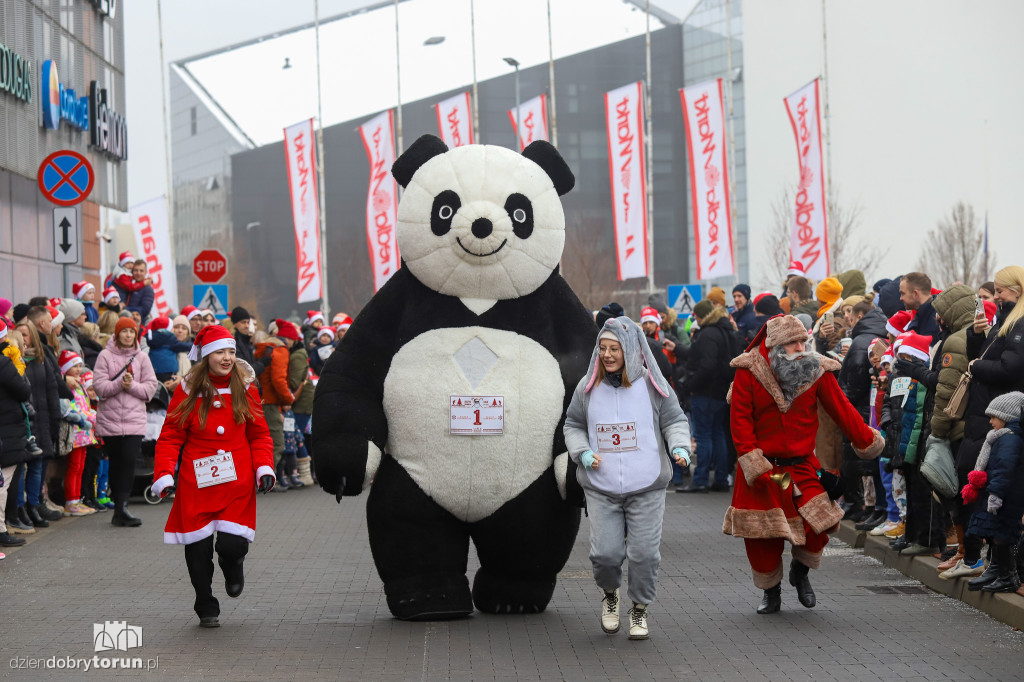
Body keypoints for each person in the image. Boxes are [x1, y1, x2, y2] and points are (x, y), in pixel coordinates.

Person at [724, 315, 883, 614]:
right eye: (793, 342)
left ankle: (801, 569)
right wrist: (754, 464)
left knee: (821, 521)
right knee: (764, 534)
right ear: (775, 345)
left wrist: (866, 440)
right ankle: (771, 591)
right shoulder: (748, 372)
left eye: (803, 340)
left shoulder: (816, 369)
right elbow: (740, 425)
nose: (800, 347)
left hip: (802, 467)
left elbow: (843, 410)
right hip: (766, 470)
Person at [563, 316, 691, 640]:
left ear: (630, 350)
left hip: (646, 484)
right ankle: (610, 595)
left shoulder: (652, 386)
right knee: (605, 555)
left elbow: (674, 418)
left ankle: (639, 608)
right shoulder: (587, 387)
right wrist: (582, 452)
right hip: (601, 485)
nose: (607, 355)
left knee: (644, 554)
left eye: (614, 349)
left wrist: (679, 446)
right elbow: (573, 424)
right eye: (603, 348)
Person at [150, 325, 276, 628]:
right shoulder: (187, 389)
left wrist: (264, 466)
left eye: (231, 351)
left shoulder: (246, 386)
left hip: (237, 480)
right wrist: (165, 473)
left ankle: (232, 565)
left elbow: (259, 434)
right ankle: (205, 602)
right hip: (197, 481)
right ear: (206, 355)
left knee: (232, 544)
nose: (228, 357)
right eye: (221, 351)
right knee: (198, 546)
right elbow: (170, 436)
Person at [92, 317, 158, 527]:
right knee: (116, 463)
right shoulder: (105, 355)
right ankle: (117, 506)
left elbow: (150, 388)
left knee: (128, 462)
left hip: (133, 422)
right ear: (117, 333)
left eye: (132, 331)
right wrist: (120, 384)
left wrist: (132, 386)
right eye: (125, 331)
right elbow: (100, 388)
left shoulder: (141, 358)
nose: (129, 335)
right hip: (110, 421)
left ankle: (123, 506)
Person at [960, 392, 1023, 593]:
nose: (990, 421)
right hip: (1002, 494)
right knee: (996, 534)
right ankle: (998, 570)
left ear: (1006, 416)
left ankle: (1007, 576)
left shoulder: (1010, 440)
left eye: (994, 417)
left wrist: (995, 493)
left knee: (1003, 536)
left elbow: (1004, 469)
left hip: (1006, 496)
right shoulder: (1003, 437)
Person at [678, 299, 736, 493]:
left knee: (703, 437)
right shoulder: (725, 330)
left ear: (701, 316)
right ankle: (721, 478)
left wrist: (690, 385)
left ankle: (701, 479)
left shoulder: (708, 334)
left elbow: (707, 365)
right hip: (721, 392)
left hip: (705, 393)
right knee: (718, 435)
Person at [0, 320, 33, 549]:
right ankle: (0, 530)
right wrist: (17, 364)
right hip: (7, 430)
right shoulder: (4, 363)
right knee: (3, 483)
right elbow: (23, 390)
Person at [255, 319, 298, 488]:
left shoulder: (266, 348)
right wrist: (288, 399)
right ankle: (264, 480)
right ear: (288, 339)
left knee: (263, 441)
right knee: (277, 443)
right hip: (270, 403)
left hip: (262, 401)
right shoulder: (280, 351)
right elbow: (278, 380)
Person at [58, 351, 99, 516]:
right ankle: (71, 501)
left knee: (80, 467)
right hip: (75, 432)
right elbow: (73, 407)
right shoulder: (69, 385)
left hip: (84, 432)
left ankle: (76, 499)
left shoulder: (79, 383)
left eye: (80, 365)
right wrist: (91, 416)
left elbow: (85, 406)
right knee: (74, 467)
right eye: (74, 366)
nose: (78, 369)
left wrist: (90, 415)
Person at [900, 272, 940, 342]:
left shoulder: (936, 320)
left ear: (915, 293)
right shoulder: (923, 313)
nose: (901, 298)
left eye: (903, 293)